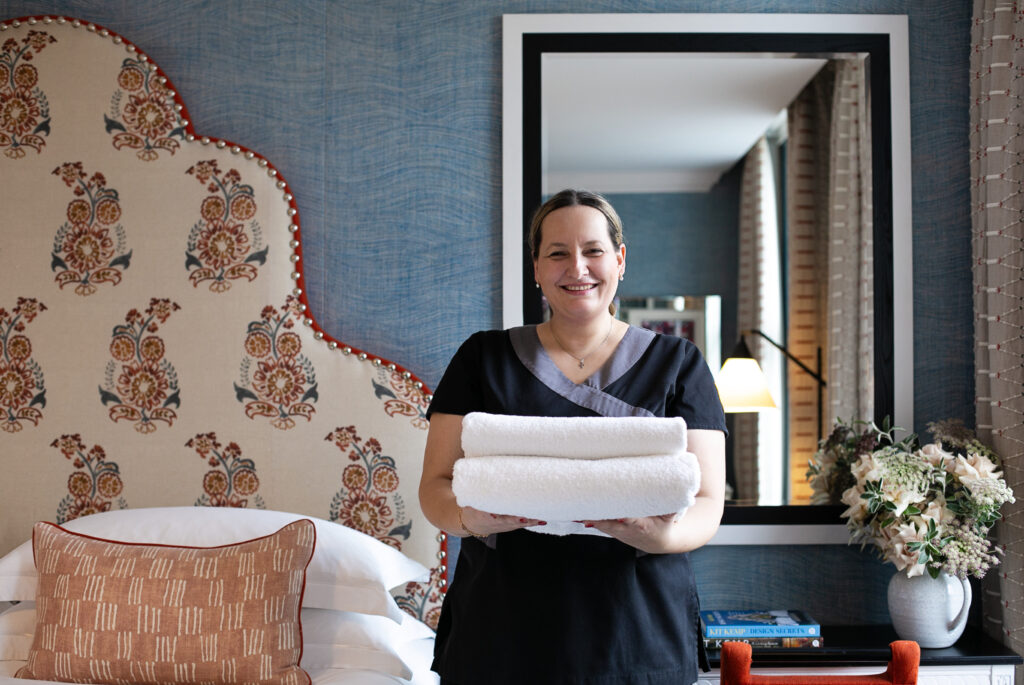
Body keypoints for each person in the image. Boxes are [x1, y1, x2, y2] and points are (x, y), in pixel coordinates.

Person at [418, 189, 727, 685]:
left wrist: (659, 534)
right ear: (536, 267)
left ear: (620, 260)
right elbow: (434, 486)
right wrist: (467, 519)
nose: (576, 267)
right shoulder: (483, 357)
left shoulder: (678, 362)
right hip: (503, 623)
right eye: (557, 253)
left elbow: (708, 502)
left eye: (594, 251)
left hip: (637, 622)